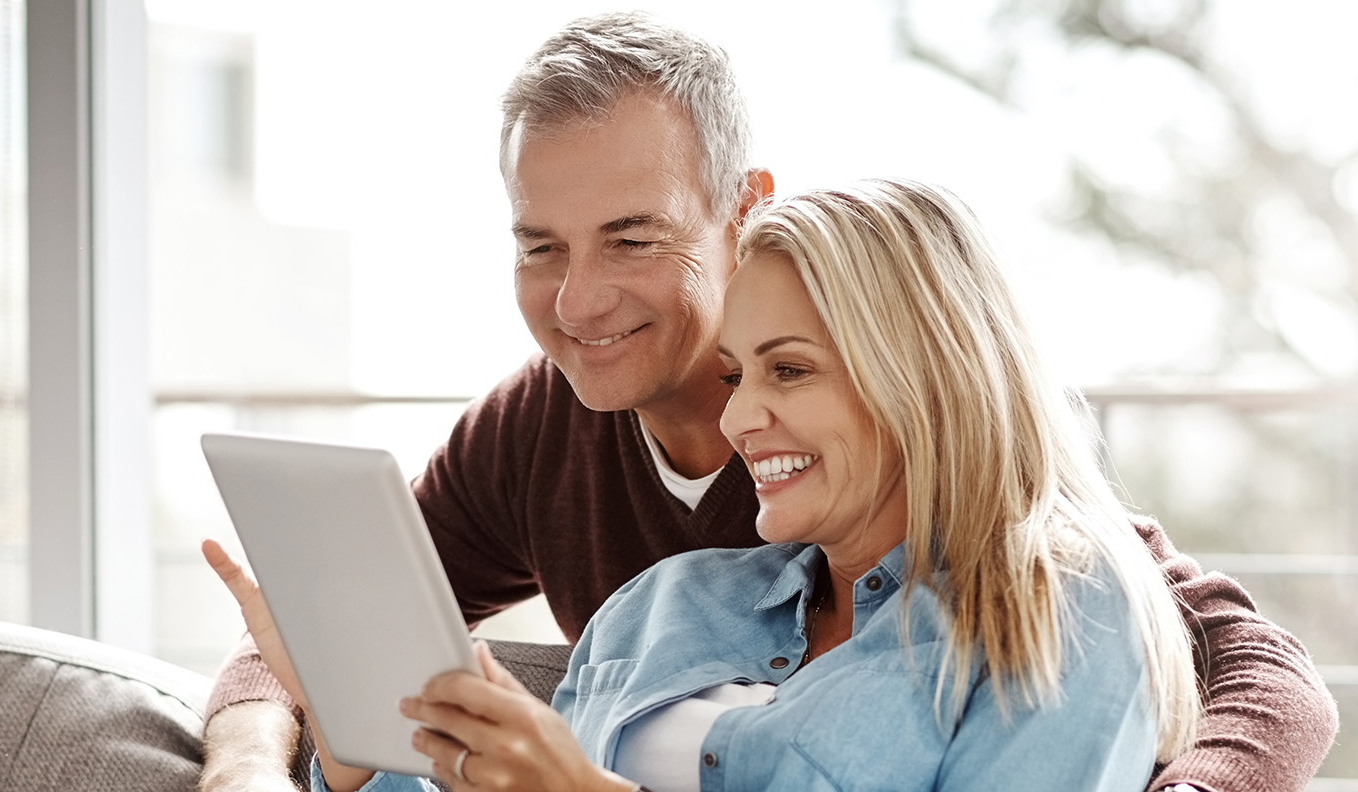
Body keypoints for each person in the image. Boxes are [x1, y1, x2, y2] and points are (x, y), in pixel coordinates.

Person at [198, 13, 1336, 792]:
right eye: (542, 246)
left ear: (738, 212)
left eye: (632, 238)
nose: (578, 299)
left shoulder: (1042, 588)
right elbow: (350, 621)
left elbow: (1254, 669)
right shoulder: (627, 561)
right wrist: (300, 750)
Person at [208, 178, 1209, 791]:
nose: (736, 419)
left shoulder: (1054, 611)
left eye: (790, 370)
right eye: (735, 375)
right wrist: (352, 748)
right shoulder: (663, 608)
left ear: (929, 379)